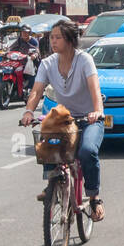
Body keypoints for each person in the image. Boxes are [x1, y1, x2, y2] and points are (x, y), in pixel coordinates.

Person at [21, 21, 106, 221]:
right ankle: (52, 182)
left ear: (69, 40)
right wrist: (28, 111)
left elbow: (95, 90)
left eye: (57, 37)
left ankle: (94, 198)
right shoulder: (48, 63)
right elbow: (37, 90)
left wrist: (97, 111)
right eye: (51, 37)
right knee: (47, 135)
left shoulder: (84, 60)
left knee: (88, 151)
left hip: (89, 118)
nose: (53, 41)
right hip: (65, 119)